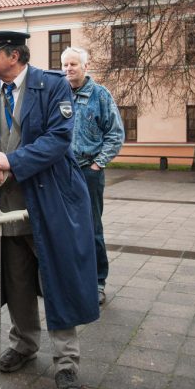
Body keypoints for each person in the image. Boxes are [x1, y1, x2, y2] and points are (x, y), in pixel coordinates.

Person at [0, 31, 98, 389]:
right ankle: (24, 344)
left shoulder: (52, 86)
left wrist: (11, 160)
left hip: (50, 200)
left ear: (14, 55)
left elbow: (59, 137)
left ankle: (66, 363)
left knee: (58, 277)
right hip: (5, 203)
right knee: (16, 278)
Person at [61, 46, 125, 306]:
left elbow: (115, 133)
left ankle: (98, 282)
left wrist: (98, 164)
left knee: (91, 228)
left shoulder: (99, 95)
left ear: (86, 67)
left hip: (88, 171)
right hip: (61, 172)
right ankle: (70, 279)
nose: (68, 69)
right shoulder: (59, 94)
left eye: (73, 65)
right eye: (65, 65)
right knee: (63, 228)